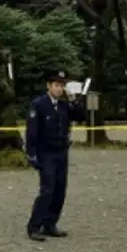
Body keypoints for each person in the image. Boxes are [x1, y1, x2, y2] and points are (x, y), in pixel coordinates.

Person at [25, 70, 86, 242]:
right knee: (47, 190)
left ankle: (50, 224)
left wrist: (74, 100)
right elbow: (32, 131)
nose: (59, 89)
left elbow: (81, 117)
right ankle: (34, 226)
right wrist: (31, 154)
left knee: (60, 190)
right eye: (56, 85)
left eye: (62, 86)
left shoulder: (64, 105)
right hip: (46, 153)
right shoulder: (39, 104)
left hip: (61, 152)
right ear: (49, 86)